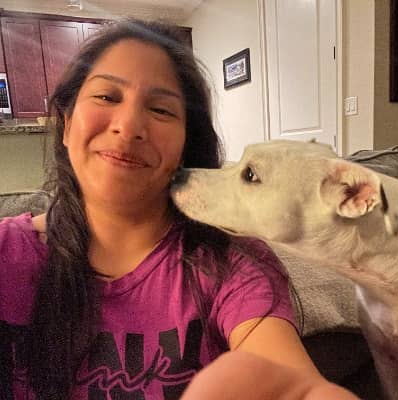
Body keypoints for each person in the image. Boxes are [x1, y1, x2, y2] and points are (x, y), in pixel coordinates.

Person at [0, 18, 358, 400]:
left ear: (187, 143)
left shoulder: (232, 267)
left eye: (161, 110)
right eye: (107, 96)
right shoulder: (8, 253)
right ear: (67, 122)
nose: (129, 126)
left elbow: (292, 384)